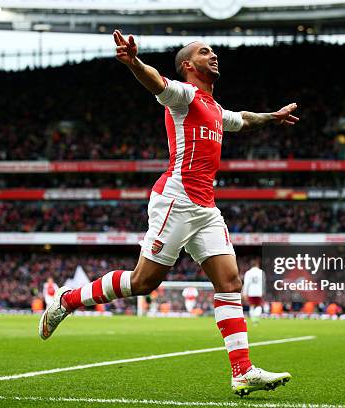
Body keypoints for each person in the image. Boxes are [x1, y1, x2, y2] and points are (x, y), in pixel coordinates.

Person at [39, 30, 299, 396]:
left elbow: (243, 118)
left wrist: (272, 116)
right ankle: (69, 299)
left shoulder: (215, 110)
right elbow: (155, 81)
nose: (214, 55)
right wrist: (133, 63)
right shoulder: (184, 96)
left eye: (214, 51)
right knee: (145, 282)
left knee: (230, 283)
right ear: (188, 65)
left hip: (206, 208)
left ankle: (242, 371)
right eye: (205, 52)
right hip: (175, 199)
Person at [242, 259, 266, 324]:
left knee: (252, 306)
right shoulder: (261, 272)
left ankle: (253, 320)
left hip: (251, 292)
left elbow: (246, 284)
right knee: (258, 306)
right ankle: (256, 317)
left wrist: (244, 293)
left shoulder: (248, 273)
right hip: (259, 292)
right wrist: (263, 292)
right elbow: (263, 284)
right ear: (257, 265)